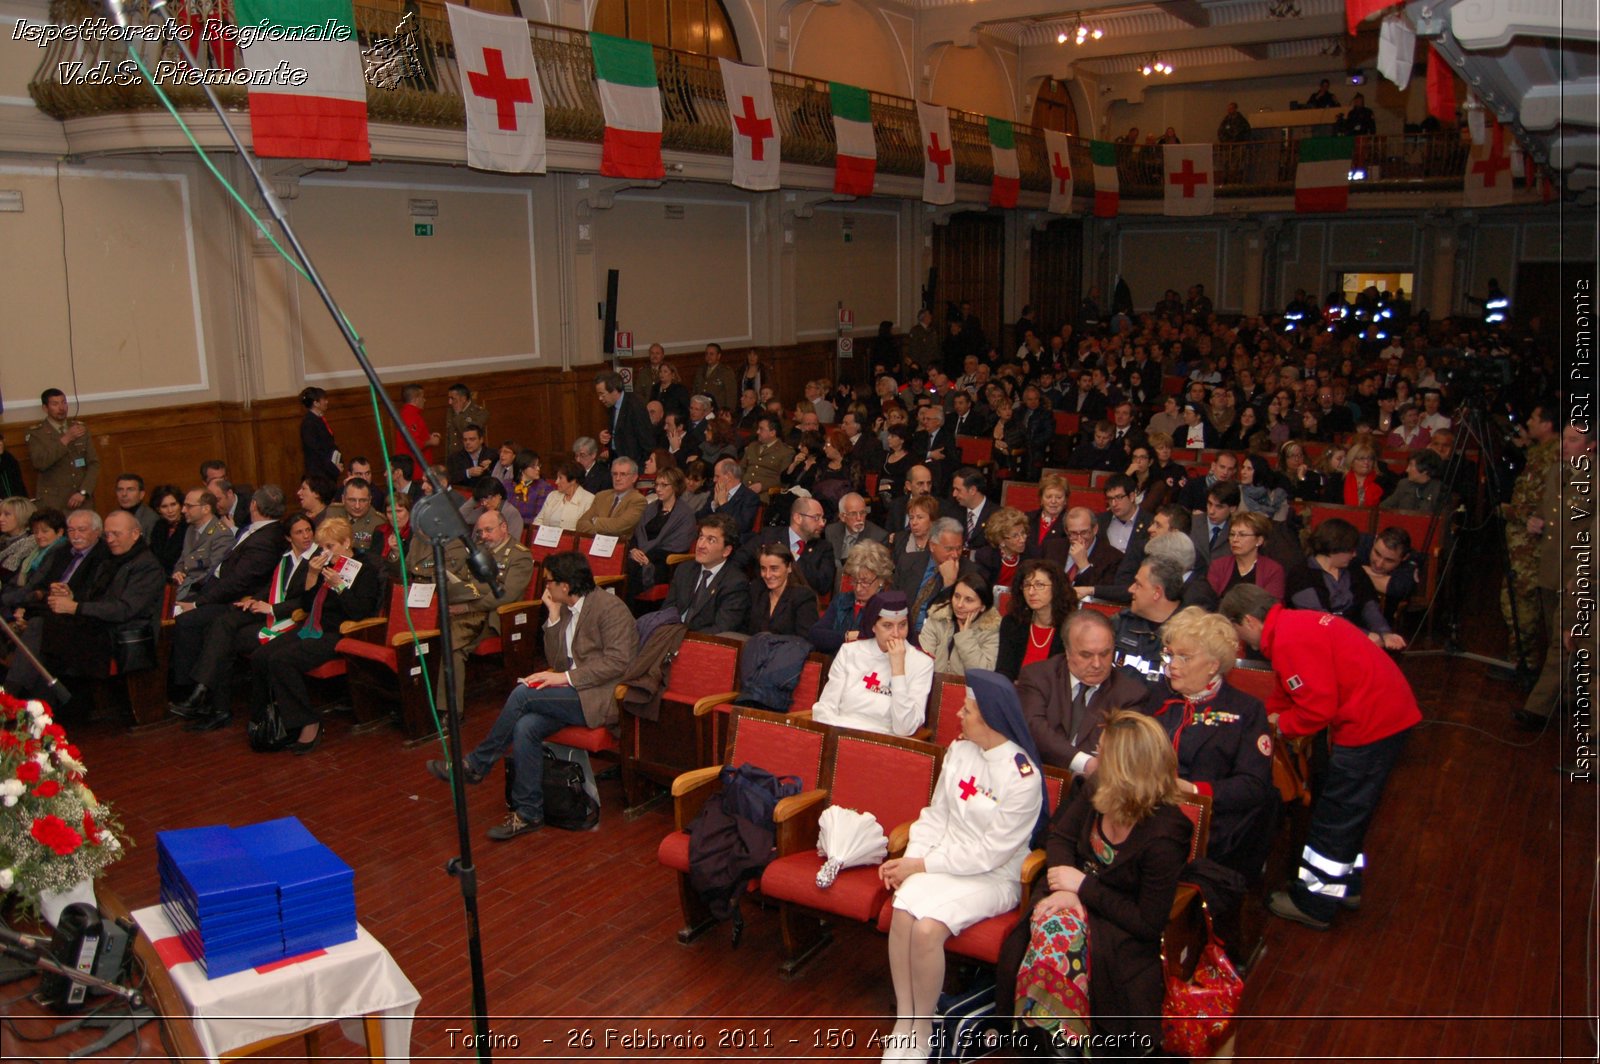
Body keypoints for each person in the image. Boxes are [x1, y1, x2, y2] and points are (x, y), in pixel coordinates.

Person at [1221, 583, 1420, 930]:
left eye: (1236, 630)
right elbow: (1290, 690)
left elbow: (1316, 709)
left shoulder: (1287, 641)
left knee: (1336, 815)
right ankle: (1346, 887)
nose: (1240, 641)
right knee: (1351, 813)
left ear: (1250, 620)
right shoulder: (1295, 625)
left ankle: (1314, 902)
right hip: (1384, 714)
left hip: (1371, 726)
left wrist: (1281, 724)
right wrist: (1261, 718)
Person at [1001, 710, 1192, 1052]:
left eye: (1103, 753)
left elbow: (1147, 923)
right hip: (1071, 895)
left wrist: (1083, 889)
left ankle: (1057, 1046)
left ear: (1126, 767)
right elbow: (1059, 837)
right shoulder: (1098, 787)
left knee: (1055, 943)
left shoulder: (1166, 835)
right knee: (1053, 929)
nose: (1095, 759)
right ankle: (1055, 1046)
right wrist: (1068, 890)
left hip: (1118, 925)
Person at [880, 670, 1046, 1061]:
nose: (958, 714)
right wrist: (910, 859)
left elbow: (990, 854)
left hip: (993, 876)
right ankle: (906, 1020)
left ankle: (922, 1034)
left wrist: (921, 865)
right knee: (903, 911)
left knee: (925, 930)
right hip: (942, 861)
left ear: (990, 717)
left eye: (967, 709)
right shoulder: (959, 751)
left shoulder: (1023, 777)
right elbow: (935, 815)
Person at [429, 551, 638, 839]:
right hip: (572, 692)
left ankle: (476, 765)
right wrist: (552, 618)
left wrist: (563, 678)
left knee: (522, 695)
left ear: (565, 585)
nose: (546, 588)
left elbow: (619, 662)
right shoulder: (564, 608)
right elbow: (557, 659)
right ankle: (528, 813)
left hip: (600, 696)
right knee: (526, 726)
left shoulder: (610, 609)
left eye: (549, 582)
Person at [1141, 607, 1276, 877]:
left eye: (1184, 657)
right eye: (1169, 655)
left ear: (1214, 665)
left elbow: (1254, 786)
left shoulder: (1246, 711)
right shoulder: (1154, 698)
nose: (1173, 665)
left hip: (1209, 826)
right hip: (1145, 811)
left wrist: (1193, 789)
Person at [171, 513, 319, 733]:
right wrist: (254, 599)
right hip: (267, 607)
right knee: (221, 624)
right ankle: (204, 692)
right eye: (299, 532)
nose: (306, 536)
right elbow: (272, 586)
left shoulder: (317, 559)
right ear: (288, 537)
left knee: (224, 639)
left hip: (289, 615)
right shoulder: (286, 556)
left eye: (308, 530)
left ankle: (211, 700)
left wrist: (272, 608)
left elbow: (310, 598)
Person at [245, 516, 380, 752]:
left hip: (337, 632)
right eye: (323, 547)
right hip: (312, 626)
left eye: (331, 546)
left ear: (346, 542)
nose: (325, 552)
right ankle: (265, 718)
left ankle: (308, 721)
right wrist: (311, 575)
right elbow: (307, 605)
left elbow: (360, 612)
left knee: (281, 660)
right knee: (260, 656)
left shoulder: (364, 570)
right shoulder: (327, 567)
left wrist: (339, 586)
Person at [1517, 421, 1597, 729]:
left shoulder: (1594, 481)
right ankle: (1567, 697)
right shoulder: (1557, 473)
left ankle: (1537, 708)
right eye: (1564, 438)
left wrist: (1582, 575)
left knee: (1564, 641)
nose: (1564, 444)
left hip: (1577, 572)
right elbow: (1545, 509)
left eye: (1573, 440)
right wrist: (1534, 520)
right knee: (1555, 634)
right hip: (1550, 568)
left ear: (1591, 445)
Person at [1017, 610, 1148, 776]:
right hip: (1037, 774)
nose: (1097, 664)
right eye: (1086, 655)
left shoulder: (1130, 694)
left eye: (1105, 653)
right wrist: (1083, 762)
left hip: (1094, 788)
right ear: (1067, 651)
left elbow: (1118, 749)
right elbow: (1034, 728)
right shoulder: (1038, 676)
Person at [441, 509, 536, 711]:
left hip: (496, 617)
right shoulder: (478, 551)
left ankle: (449, 711)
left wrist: (468, 605)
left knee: (451, 647)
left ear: (504, 527)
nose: (483, 536)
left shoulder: (520, 555)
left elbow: (505, 595)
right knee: (432, 638)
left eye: (488, 530)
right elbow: (467, 581)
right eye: (480, 531)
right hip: (468, 612)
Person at [811, 590, 933, 736]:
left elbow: (905, 728)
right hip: (840, 733)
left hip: (885, 744)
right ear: (873, 627)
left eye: (902, 625)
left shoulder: (922, 662)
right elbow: (825, 707)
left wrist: (898, 670)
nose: (896, 633)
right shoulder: (850, 651)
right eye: (887, 625)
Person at [1288, 518, 1404, 648]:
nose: (1354, 554)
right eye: (1350, 550)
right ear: (1334, 549)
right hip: (1319, 642)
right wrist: (1363, 635)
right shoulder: (1301, 574)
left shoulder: (1353, 567)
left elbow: (1368, 604)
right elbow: (1321, 618)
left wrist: (1384, 632)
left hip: (1355, 637)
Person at [662, 513, 750, 634]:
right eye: (701, 537)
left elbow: (721, 629)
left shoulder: (735, 583)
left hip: (702, 644)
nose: (701, 545)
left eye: (711, 540)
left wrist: (682, 639)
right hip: (670, 637)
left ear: (726, 551)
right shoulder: (684, 570)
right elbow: (667, 611)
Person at [736, 497, 835, 596]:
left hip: (800, 604)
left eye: (823, 519)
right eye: (816, 518)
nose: (822, 523)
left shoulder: (824, 547)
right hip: (763, 600)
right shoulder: (769, 536)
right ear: (798, 518)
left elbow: (823, 585)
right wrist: (747, 587)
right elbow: (738, 560)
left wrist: (794, 557)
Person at [995, 558, 1075, 679]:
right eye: (1027, 585)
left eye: (1039, 585)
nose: (1031, 592)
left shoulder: (1071, 629)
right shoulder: (1013, 623)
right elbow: (1003, 671)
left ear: (1056, 588)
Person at [809, 540, 894, 653]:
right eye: (855, 581)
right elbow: (815, 634)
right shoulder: (842, 600)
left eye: (865, 582)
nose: (858, 588)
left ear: (881, 580)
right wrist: (846, 637)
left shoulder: (888, 607)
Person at [26, 388, 100, 511]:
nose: (61, 408)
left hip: (81, 499)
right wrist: (66, 438)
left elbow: (94, 463)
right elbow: (40, 463)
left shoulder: (80, 428)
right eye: (55, 404)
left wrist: (83, 492)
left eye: (64, 402)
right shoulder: (36, 433)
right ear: (45, 408)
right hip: (54, 502)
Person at [918, 566, 1001, 675]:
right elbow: (922, 662)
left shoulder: (991, 629)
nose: (959, 604)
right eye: (957, 596)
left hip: (968, 689)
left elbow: (984, 673)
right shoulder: (938, 618)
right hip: (933, 683)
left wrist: (965, 637)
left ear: (982, 606)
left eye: (969, 600)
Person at [627, 467, 697, 595]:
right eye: (657, 484)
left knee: (631, 568)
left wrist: (647, 557)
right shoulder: (650, 508)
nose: (658, 489)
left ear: (675, 487)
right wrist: (633, 550)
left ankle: (628, 613)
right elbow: (636, 535)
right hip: (641, 556)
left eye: (664, 485)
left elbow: (678, 547)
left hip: (664, 564)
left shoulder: (685, 515)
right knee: (624, 564)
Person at [742, 542, 819, 638]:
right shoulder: (756, 589)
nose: (768, 575)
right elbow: (743, 629)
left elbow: (805, 639)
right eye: (763, 569)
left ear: (789, 567)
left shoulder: (803, 597)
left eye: (774, 569)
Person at [170, 487, 233, 602]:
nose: (183, 510)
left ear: (206, 509)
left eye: (189, 506)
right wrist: (178, 572)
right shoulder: (190, 530)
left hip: (200, 592)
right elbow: (183, 560)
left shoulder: (221, 535)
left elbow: (212, 573)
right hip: (183, 588)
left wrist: (186, 586)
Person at [1209, 510, 1286, 600]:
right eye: (1232, 534)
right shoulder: (1218, 565)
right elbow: (1209, 600)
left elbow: (1271, 606)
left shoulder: (1273, 570)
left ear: (1259, 540)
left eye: (1242, 535)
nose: (1235, 539)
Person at [575, 456, 647, 539]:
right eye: (615, 474)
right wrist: (605, 530)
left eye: (623, 474)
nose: (618, 478)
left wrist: (595, 520)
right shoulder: (601, 496)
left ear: (634, 478)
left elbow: (618, 527)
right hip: (593, 545)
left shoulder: (638, 500)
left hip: (619, 547)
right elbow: (580, 524)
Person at [970, 506, 1037, 593]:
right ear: (1001, 541)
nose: (1022, 539)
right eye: (1015, 536)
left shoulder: (1031, 553)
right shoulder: (986, 556)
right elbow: (982, 589)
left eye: (1023, 533)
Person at [594, 371, 654, 467]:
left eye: (602, 394)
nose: (600, 398)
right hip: (617, 462)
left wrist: (638, 468)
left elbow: (647, 442)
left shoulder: (635, 406)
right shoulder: (611, 406)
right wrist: (606, 437)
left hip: (632, 466)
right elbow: (618, 433)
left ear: (614, 390)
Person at [532, 461, 596, 532]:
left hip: (571, 541)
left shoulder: (589, 499)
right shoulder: (552, 495)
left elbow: (585, 530)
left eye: (560, 478)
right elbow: (539, 520)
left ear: (573, 481)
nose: (556, 482)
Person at [1381, 448, 1448, 512]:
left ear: (1424, 470)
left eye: (1411, 465)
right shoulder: (1404, 484)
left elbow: (1441, 519)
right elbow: (1384, 506)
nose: (1407, 470)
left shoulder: (1439, 490)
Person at [297, 386, 340, 481]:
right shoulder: (309, 423)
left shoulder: (318, 420)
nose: (327, 402)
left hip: (327, 469)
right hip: (320, 473)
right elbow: (317, 451)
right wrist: (332, 467)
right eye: (324, 399)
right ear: (316, 403)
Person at [145, 486, 186, 576]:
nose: (170, 510)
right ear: (158, 509)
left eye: (173, 504)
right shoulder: (158, 527)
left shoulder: (189, 526)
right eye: (164, 506)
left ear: (180, 505)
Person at [397, 383, 437, 469]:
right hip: (415, 467)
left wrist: (428, 437)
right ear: (416, 399)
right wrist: (431, 442)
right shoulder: (410, 416)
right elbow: (413, 443)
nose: (424, 400)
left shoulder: (410, 414)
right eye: (422, 397)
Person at [0, 497, 38, 583]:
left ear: (22, 517)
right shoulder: (3, 541)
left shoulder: (29, 544)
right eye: (0, 514)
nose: (1, 519)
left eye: (7, 514)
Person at [693, 342, 737, 415]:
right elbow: (695, 390)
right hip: (701, 410)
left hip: (718, 411)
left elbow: (731, 394)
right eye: (706, 354)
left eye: (711, 354)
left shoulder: (725, 372)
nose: (708, 356)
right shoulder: (701, 370)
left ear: (718, 356)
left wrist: (728, 412)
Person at [1339, 442, 1385, 508]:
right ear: (1351, 462)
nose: (1366, 462)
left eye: (1370, 459)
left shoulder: (1383, 482)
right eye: (1361, 458)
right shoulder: (1338, 481)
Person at [113, 474, 158, 538]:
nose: (124, 494)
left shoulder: (151, 519)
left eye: (130, 489)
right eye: (120, 489)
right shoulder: (113, 517)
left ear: (141, 494)